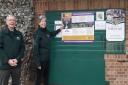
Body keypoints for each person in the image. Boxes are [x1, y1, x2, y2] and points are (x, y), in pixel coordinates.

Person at [33, 15, 63, 85]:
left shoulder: (46, 31)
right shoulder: (37, 33)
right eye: (42, 21)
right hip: (40, 60)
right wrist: (37, 63)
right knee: (39, 78)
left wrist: (59, 29)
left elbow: (51, 34)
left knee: (46, 77)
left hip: (47, 59)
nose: (44, 23)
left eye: (44, 21)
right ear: (39, 23)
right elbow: (35, 49)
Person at [0, 15, 25, 85]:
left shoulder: (19, 34)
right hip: (4, 65)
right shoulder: (2, 33)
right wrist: (8, 60)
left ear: (15, 22)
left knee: (16, 83)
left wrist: (17, 59)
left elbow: (22, 48)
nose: (12, 22)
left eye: (13, 20)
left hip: (16, 65)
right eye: (10, 20)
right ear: (6, 22)